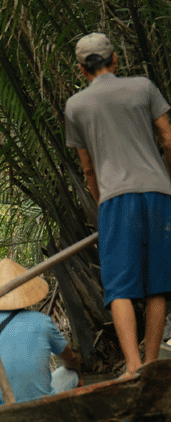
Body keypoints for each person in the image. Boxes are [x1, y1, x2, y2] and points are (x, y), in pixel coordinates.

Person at [65, 32, 171, 375]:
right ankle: (152, 363)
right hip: (158, 194)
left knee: (120, 287)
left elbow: (88, 168)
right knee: (158, 283)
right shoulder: (143, 87)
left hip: (115, 200)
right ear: (114, 60)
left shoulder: (76, 105)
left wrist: (101, 206)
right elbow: (168, 137)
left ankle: (133, 367)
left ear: (82, 70)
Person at [0, 259, 82, 409]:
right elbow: (71, 360)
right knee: (73, 373)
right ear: (25, 292)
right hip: (42, 404)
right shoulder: (42, 321)